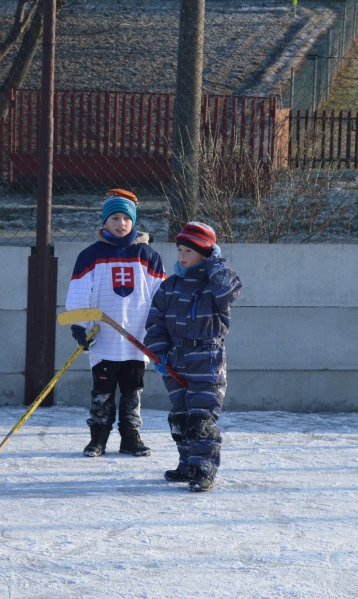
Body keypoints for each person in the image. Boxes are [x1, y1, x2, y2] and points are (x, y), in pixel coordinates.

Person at [65, 189, 166, 457]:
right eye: (115, 218)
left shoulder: (148, 255)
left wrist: (160, 328)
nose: (121, 223)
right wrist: (80, 328)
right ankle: (98, 437)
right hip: (104, 340)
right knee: (102, 391)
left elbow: (161, 294)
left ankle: (130, 437)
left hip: (137, 341)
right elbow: (78, 294)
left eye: (126, 218)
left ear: (133, 221)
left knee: (132, 391)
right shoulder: (91, 255)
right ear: (104, 222)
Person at [144, 222, 242, 492]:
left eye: (189, 250)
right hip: (176, 357)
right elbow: (156, 323)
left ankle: (204, 468)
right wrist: (159, 354)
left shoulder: (215, 285)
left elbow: (229, 290)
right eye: (179, 250)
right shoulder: (170, 286)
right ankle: (187, 463)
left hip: (206, 359)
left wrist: (216, 262)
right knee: (181, 417)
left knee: (201, 417)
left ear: (206, 254)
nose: (182, 256)